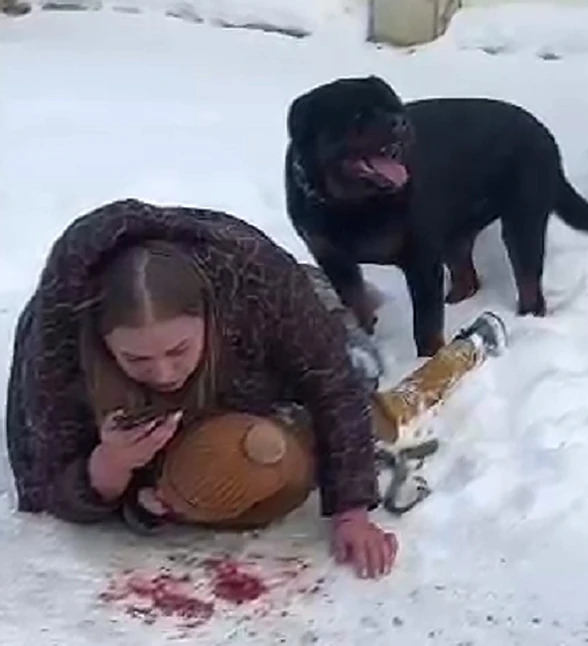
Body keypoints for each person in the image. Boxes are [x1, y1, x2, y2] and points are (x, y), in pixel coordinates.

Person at [4, 198, 397, 579]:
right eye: (137, 359)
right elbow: (47, 481)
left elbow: (330, 381)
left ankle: (326, 302)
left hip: (276, 313)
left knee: (355, 373)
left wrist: (351, 510)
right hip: (88, 361)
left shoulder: (254, 280)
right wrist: (110, 463)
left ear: (209, 316)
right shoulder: (61, 343)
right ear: (102, 343)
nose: (162, 372)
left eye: (178, 350)